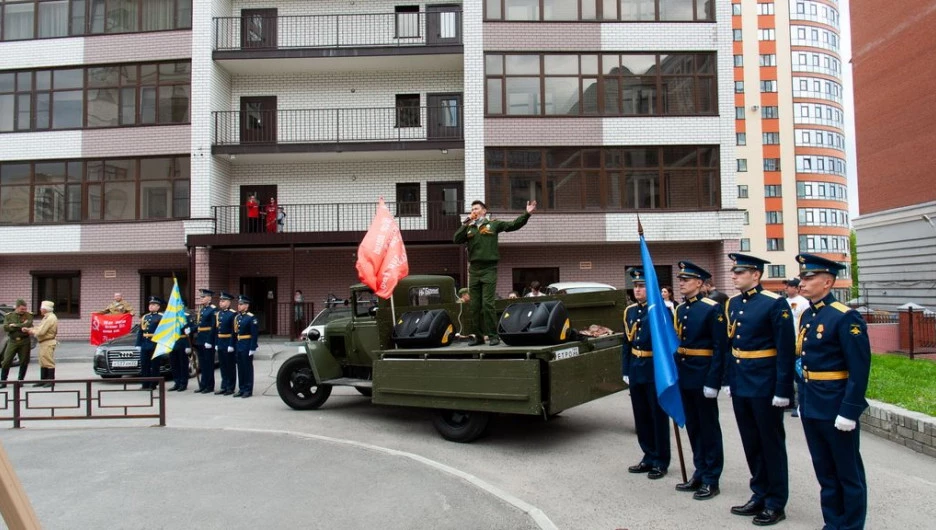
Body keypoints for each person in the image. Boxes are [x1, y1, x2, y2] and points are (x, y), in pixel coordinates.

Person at [794, 253, 871, 530]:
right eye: (802, 277)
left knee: (847, 473)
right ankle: (833, 522)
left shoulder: (844, 317)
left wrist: (849, 410)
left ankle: (851, 526)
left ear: (827, 282)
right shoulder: (807, 315)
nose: (802, 282)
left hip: (836, 404)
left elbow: (859, 369)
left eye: (808, 277)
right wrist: (802, 399)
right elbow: (803, 362)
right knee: (825, 472)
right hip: (813, 402)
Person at [724, 253, 795, 526]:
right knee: (751, 442)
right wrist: (731, 380)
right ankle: (759, 493)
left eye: (740, 272)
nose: (734, 276)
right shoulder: (732, 304)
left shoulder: (775, 304)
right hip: (742, 383)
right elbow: (733, 347)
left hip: (765, 384)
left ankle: (776, 502)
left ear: (756, 275)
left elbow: (785, 351)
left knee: (771, 443)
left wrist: (782, 390)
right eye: (733, 272)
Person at [673, 262, 728, 500]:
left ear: (699, 283)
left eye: (686, 280)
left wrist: (714, 380)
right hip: (685, 374)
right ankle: (699, 470)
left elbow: (720, 348)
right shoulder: (681, 310)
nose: (681, 283)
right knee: (694, 427)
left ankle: (711, 478)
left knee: (708, 428)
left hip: (703, 374)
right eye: (680, 279)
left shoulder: (711, 309)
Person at [453, 199, 536, 346]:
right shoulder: (469, 228)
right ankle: (478, 337)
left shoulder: (493, 224)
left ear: (484, 211)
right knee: (474, 306)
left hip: (489, 269)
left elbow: (513, 225)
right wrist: (465, 223)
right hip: (474, 270)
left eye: (477, 208)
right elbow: (456, 239)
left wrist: (526, 214)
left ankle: (492, 336)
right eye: (472, 209)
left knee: (487, 304)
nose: (474, 211)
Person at [621, 267, 671, 481]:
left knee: (657, 416)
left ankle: (661, 460)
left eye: (642, 286)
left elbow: (668, 344)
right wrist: (625, 370)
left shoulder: (661, 311)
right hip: (636, 367)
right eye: (635, 286)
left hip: (654, 369)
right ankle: (648, 455)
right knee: (641, 416)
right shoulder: (630, 311)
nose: (637, 290)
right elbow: (626, 343)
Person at [783, 278, 809, 417]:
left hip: (797, 343)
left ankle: (799, 404)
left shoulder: (803, 303)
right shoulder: (783, 302)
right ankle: (789, 401)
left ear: (796, 288)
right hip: (786, 342)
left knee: (799, 374)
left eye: (788, 287)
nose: (786, 289)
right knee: (787, 373)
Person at [0, 299, 34, 388]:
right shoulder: (9, 316)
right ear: (17, 307)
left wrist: (14, 325)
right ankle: (3, 381)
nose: (24, 311)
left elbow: (29, 324)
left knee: (24, 361)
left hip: (24, 341)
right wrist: (21, 326)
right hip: (13, 341)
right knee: (6, 361)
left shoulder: (28, 315)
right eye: (22, 309)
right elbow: (6, 327)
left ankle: (20, 380)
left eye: (25, 309)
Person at [24, 300, 58, 388]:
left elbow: (41, 332)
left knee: (48, 361)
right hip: (43, 342)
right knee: (42, 361)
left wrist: (30, 331)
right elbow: (39, 327)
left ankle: (50, 381)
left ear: (45, 309)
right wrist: (32, 328)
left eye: (41, 308)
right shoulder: (46, 317)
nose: (40, 310)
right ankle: (43, 380)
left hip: (48, 342)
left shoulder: (50, 318)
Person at [233, 295, 259, 398]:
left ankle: (248, 389)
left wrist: (252, 347)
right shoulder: (238, 317)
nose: (239, 306)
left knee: (247, 368)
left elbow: (254, 334)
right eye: (238, 304)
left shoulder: (251, 317)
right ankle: (242, 388)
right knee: (240, 368)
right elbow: (236, 333)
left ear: (247, 305)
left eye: (241, 304)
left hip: (247, 344)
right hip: (239, 344)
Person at [136, 296, 163, 391]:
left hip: (155, 343)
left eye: (154, 305)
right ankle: (145, 384)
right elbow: (140, 331)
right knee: (144, 364)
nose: (151, 306)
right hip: (145, 343)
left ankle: (153, 384)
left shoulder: (161, 317)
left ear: (158, 307)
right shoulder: (145, 317)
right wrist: (138, 344)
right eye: (150, 305)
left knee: (154, 365)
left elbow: (163, 331)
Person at [213, 291, 237, 395]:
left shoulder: (233, 314)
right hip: (221, 341)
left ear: (228, 302)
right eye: (220, 301)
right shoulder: (219, 314)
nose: (221, 303)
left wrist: (231, 344)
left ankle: (230, 387)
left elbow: (233, 331)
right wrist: (216, 343)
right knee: (223, 366)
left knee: (230, 366)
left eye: (223, 301)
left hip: (228, 342)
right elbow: (216, 330)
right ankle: (224, 385)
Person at [169, 309, 193, 392]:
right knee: (174, 364)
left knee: (183, 364)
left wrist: (188, 346)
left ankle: (183, 383)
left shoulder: (186, 316)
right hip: (173, 342)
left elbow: (190, 330)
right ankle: (177, 382)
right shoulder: (170, 316)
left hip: (182, 342)